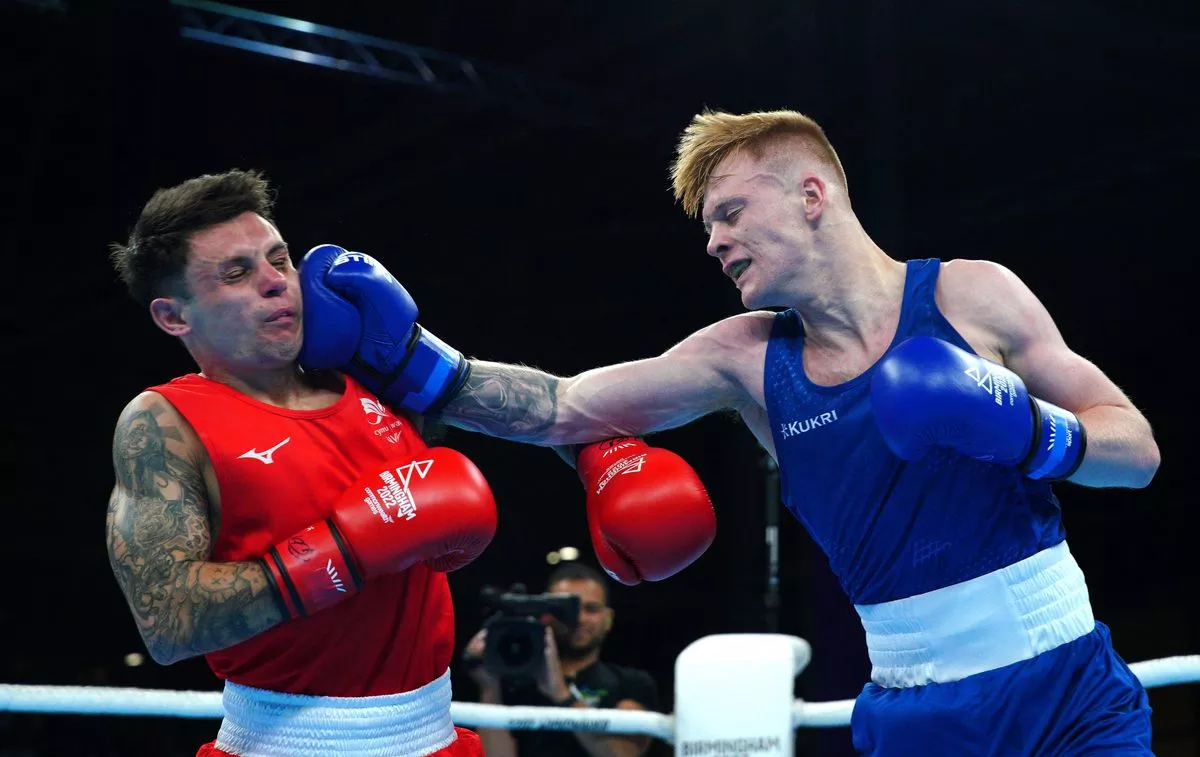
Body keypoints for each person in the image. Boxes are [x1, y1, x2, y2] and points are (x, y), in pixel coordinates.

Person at [297, 106, 1163, 755]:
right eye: (708, 225)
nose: (712, 241)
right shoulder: (745, 359)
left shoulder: (973, 296)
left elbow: (1138, 451)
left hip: (1073, 691)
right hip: (919, 711)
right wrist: (412, 360)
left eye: (731, 212)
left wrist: (1026, 431)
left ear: (812, 195)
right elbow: (565, 405)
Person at [104, 169, 500, 757]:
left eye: (279, 258)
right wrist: (344, 551)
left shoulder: (374, 375)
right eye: (237, 273)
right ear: (173, 317)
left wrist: (601, 456)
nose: (275, 284)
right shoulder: (165, 421)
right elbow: (165, 623)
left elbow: (535, 409)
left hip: (434, 737)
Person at [462, 562, 660, 757]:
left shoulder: (631, 683)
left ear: (608, 619)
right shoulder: (514, 685)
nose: (579, 618)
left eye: (591, 609)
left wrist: (561, 694)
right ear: (547, 615)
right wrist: (490, 687)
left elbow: (624, 753)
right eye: (566, 608)